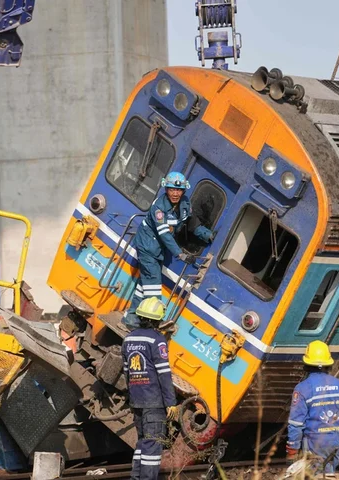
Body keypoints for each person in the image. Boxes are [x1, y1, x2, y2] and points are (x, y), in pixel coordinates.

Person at [124, 171, 213, 328]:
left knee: (144, 283)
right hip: (147, 246)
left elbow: (191, 222)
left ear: (183, 191)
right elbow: (165, 234)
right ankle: (151, 322)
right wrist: (180, 254)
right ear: (166, 189)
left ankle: (131, 316)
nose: (175, 193)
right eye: (172, 189)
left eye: (178, 190)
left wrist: (206, 234)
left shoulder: (185, 204)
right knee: (153, 283)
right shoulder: (159, 207)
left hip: (158, 250)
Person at [122, 297, 179, 480]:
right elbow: (163, 374)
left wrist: (132, 396)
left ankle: (135, 478)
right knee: (153, 446)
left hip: (137, 399)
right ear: (157, 319)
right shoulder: (157, 340)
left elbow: (127, 373)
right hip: (154, 401)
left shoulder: (128, 339)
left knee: (142, 444)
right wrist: (171, 403)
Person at [287, 340, 339, 476]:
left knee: (316, 475)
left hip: (315, 442)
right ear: (329, 364)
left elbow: (296, 424)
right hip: (337, 440)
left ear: (306, 364)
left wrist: (292, 451)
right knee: (329, 473)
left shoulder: (302, 389)